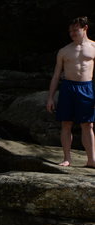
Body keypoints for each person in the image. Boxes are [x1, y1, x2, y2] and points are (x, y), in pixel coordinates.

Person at [46, 16, 95, 168]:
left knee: (88, 125)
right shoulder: (64, 51)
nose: (72, 33)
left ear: (85, 28)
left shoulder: (94, 47)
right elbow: (56, 75)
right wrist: (50, 98)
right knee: (66, 123)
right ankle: (67, 158)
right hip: (68, 87)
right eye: (70, 31)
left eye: (75, 30)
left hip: (86, 87)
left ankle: (91, 160)